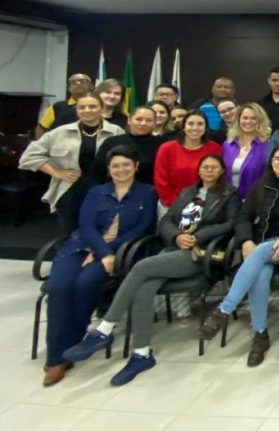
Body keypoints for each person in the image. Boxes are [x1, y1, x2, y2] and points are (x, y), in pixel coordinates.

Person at [62, 154, 240, 385]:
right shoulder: (188, 192)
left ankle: (105, 328)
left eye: (213, 167)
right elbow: (166, 221)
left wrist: (197, 236)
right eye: (204, 167)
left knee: (141, 267)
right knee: (144, 288)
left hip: (201, 254)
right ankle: (142, 353)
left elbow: (231, 224)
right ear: (198, 170)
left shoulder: (229, 194)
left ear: (221, 171)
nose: (208, 170)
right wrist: (176, 236)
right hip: (173, 249)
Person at [39, 146, 156, 386]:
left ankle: (71, 348)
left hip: (118, 252)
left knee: (84, 284)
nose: (121, 170)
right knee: (58, 287)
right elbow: (86, 226)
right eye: (115, 166)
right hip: (80, 247)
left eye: (126, 165)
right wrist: (101, 251)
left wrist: (109, 252)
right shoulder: (96, 192)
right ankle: (56, 358)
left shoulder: (147, 193)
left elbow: (142, 228)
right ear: (108, 169)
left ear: (136, 166)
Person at [198, 144, 279, 366]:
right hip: (261, 245)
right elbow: (244, 217)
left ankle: (225, 308)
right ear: (271, 162)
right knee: (261, 274)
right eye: (277, 159)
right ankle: (260, 333)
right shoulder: (261, 185)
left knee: (263, 252)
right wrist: (246, 240)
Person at [19, 92, 125, 235]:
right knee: (71, 234)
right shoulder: (60, 133)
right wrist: (57, 173)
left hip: (105, 189)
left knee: (102, 234)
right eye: (82, 107)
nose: (87, 110)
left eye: (92, 106)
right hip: (70, 190)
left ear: (101, 108)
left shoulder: (116, 132)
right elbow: (28, 157)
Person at [154, 111, 222, 213]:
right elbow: (161, 180)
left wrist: (200, 204)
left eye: (200, 124)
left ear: (205, 128)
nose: (195, 128)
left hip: (204, 206)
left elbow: (217, 178)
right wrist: (177, 204)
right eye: (190, 124)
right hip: (170, 206)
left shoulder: (214, 148)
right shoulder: (167, 148)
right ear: (183, 127)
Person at [93, 105, 165, 185]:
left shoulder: (162, 145)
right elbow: (96, 174)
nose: (143, 123)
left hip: (150, 190)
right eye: (139, 119)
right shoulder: (111, 142)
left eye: (149, 120)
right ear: (129, 120)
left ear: (154, 123)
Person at [222, 103, 273, 198]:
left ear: (260, 121)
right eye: (245, 118)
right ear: (238, 120)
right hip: (228, 200)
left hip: (255, 200)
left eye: (253, 118)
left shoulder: (268, 146)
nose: (248, 121)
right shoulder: (228, 145)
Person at [35, 73, 93, 138]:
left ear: (91, 86)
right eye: (74, 82)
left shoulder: (97, 106)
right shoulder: (57, 107)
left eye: (83, 81)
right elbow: (41, 128)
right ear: (68, 88)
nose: (79, 84)